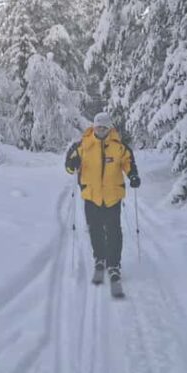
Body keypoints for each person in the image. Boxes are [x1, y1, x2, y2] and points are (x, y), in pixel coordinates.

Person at [65, 112, 141, 288]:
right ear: (94, 127)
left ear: (109, 128)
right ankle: (99, 257)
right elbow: (68, 166)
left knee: (114, 231)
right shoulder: (83, 145)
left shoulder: (119, 147)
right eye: (98, 127)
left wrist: (133, 176)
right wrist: (72, 166)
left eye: (104, 127)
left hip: (112, 196)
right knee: (95, 229)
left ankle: (114, 264)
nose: (101, 130)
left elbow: (128, 163)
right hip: (91, 195)